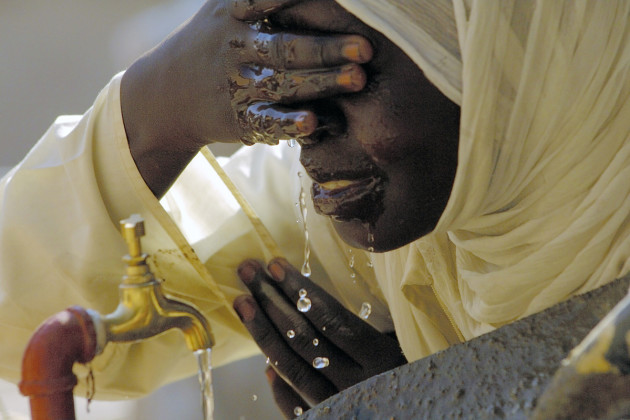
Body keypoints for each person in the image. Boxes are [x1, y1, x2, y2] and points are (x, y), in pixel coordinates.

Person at [2, 0, 630, 417]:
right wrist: (154, 110)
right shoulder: (415, 230)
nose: (299, 124)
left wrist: (437, 400)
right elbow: (19, 316)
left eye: (337, 69)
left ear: (502, 60)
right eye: (271, 69)